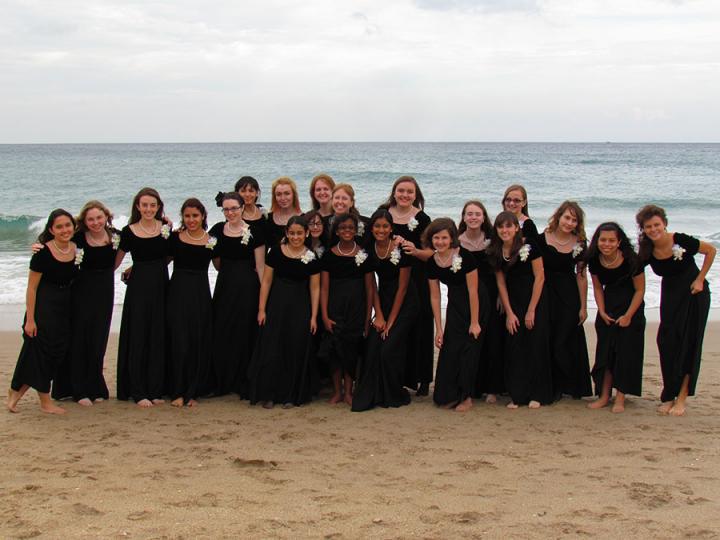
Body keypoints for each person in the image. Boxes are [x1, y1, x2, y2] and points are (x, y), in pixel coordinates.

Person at [637, 204, 715, 416]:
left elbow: (710, 250)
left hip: (694, 294)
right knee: (667, 342)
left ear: (664, 224)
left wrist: (700, 280)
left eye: (657, 225)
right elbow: (631, 269)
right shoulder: (647, 250)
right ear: (643, 229)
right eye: (648, 226)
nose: (653, 229)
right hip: (670, 297)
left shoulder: (679, 239)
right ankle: (669, 394)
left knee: (688, 343)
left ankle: (681, 399)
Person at [7, 209, 79, 414]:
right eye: (59, 227)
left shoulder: (77, 247)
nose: (65, 230)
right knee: (42, 353)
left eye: (68, 225)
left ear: (74, 226)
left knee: (52, 352)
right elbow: (31, 288)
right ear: (51, 230)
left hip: (65, 307)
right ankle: (45, 402)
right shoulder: (42, 253)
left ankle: (15, 393)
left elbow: (103, 228)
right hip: (44, 307)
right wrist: (30, 320)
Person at [247, 215, 322, 408]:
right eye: (292, 233)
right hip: (277, 305)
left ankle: (290, 395)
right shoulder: (276, 252)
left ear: (306, 233)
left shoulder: (311, 256)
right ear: (286, 233)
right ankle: (270, 394)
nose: (295, 237)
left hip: (300, 307)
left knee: (294, 349)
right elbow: (267, 281)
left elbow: (315, 288)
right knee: (273, 349)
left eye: (299, 233)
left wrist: (314, 316)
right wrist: (261, 309)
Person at [51, 201, 117, 405]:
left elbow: (138, 248)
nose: (96, 222)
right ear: (84, 221)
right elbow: (54, 243)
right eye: (91, 219)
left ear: (106, 216)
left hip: (105, 292)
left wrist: (165, 222)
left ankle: (95, 386)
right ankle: (79, 390)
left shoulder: (116, 236)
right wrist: (38, 246)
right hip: (82, 292)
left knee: (99, 339)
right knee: (80, 339)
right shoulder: (78, 238)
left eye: (99, 218)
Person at [352, 210, 417, 411]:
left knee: (388, 347)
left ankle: (394, 393)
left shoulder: (400, 249)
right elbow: (372, 285)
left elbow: (403, 288)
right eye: (377, 226)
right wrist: (379, 315)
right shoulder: (367, 250)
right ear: (372, 228)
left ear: (391, 228)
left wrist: (390, 321)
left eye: (385, 226)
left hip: (406, 302)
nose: (381, 230)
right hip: (383, 299)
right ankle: (374, 393)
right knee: (373, 343)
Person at [490, 211, 552, 409]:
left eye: (509, 226)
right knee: (514, 346)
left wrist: (532, 310)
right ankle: (517, 395)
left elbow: (540, 277)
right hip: (513, 300)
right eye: (501, 227)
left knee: (535, 346)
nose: (505, 230)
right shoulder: (496, 250)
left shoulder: (530, 247)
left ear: (517, 227)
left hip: (534, 299)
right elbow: (500, 282)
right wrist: (509, 312)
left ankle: (537, 394)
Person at [115, 187, 170, 408]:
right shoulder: (128, 232)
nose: (148, 209)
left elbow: (169, 256)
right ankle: (138, 391)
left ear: (158, 207)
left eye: (152, 205)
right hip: (138, 290)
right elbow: (113, 262)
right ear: (138, 207)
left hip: (161, 286)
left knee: (158, 336)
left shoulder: (166, 228)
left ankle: (156, 389)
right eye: (144, 205)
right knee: (138, 337)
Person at [380, 176, 434, 396]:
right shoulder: (384, 213)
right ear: (394, 192)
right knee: (394, 329)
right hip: (390, 279)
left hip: (418, 279)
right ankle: (396, 376)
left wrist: (416, 250)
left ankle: (421, 379)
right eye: (401, 190)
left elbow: (433, 253)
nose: (404, 195)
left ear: (416, 195)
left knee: (420, 326)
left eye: (409, 192)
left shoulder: (422, 218)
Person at [209, 193, 266, 397]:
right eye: (226, 209)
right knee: (223, 329)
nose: (230, 212)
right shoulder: (217, 230)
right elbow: (214, 260)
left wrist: (264, 298)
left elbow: (260, 266)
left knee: (245, 332)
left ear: (242, 207)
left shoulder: (255, 232)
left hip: (248, 288)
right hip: (225, 286)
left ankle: (244, 380)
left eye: (234, 208)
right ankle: (224, 380)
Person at [424, 218, 482, 412]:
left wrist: (475, 322)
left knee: (468, 349)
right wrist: (438, 329)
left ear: (452, 239)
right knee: (450, 348)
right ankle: (449, 394)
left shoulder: (465, 257)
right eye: (436, 238)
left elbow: (473, 291)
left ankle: (466, 397)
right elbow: (434, 296)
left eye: (444, 238)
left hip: (476, 303)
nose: (440, 242)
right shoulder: (432, 261)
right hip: (455, 303)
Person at [587, 222, 646, 413]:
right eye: (603, 240)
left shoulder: (631, 259)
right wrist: (601, 311)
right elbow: (597, 287)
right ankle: (605, 396)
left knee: (625, 354)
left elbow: (640, 290)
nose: (607, 244)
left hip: (631, 308)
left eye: (611, 240)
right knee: (605, 353)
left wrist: (628, 315)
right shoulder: (594, 259)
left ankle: (620, 398)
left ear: (619, 241)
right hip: (608, 307)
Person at [318, 213, 375, 406]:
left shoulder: (363, 254)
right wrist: (324, 315)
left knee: (352, 350)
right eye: (342, 228)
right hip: (334, 308)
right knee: (335, 350)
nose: (347, 231)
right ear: (337, 231)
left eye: (350, 228)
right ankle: (337, 391)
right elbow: (324, 288)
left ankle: (349, 392)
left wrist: (368, 317)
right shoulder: (329, 254)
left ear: (356, 229)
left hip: (356, 309)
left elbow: (370, 288)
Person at [538, 201, 592, 400]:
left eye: (574, 220)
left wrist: (583, 306)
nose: (569, 223)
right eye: (567, 217)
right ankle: (551, 385)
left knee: (565, 339)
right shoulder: (541, 239)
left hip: (569, 296)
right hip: (545, 293)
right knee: (548, 338)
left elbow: (581, 275)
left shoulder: (579, 243)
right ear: (558, 216)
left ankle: (569, 385)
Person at [165, 198, 214, 407]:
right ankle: (177, 390)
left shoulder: (212, 240)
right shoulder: (175, 238)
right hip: (178, 292)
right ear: (182, 217)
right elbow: (162, 261)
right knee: (179, 341)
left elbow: (220, 266)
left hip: (201, 294)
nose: (191, 219)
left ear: (203, 216)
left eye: (195, 215)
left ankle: (193, 391)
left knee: (197, 341)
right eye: (187, 216)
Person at [458, 200, 503, 402]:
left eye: (477, 214)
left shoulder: (493, 240)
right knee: (469, 341)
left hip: (491, 294)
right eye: (470, 214)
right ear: (464, 217)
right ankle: (470, 386)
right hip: (466, 295)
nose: (473, 217)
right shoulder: (456, 242)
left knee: (491, 340)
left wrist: (502, 296)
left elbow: (500, 271)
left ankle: (492, 388)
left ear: (484, 217)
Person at [266, 177, 302, 247]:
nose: (283, 198)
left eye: (287, 193)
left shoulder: (304, 218)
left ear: (294, 195)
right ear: (275, 197)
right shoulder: (267, 219)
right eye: (279, 194)